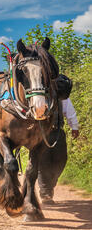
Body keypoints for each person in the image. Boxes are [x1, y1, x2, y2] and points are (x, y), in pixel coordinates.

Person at [37, 75, 79, 204]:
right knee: (43, 163)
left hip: (57, 131)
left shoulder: (61, 94)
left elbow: (69, 111)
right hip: (41, 134)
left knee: (61, 160)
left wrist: (74, 127)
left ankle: (51, 184)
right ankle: (45, 194)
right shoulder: (37, 96)